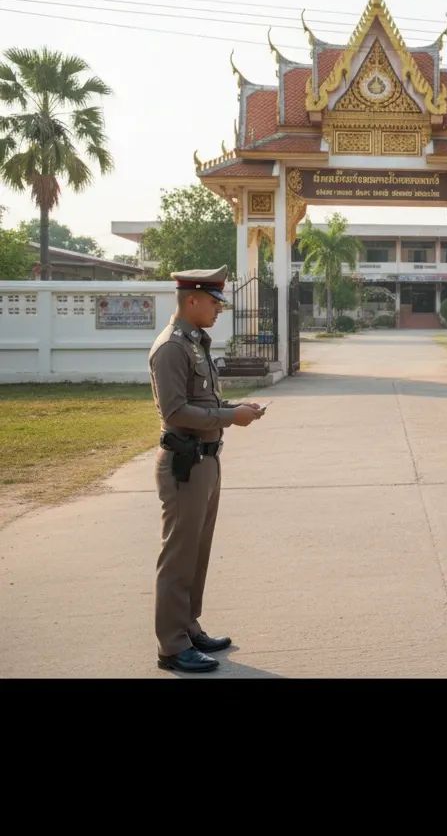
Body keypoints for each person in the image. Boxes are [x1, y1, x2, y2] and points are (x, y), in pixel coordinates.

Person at [149, 266, 265, 673]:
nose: (219, 309)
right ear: (192, 300)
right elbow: (175, 410)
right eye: (214, 302)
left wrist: (233, 411)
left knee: (197, 553)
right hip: (184, 463)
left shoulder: (195, 343)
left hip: (205, 459)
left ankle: (188, 626)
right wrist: (231, 416)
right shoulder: (171, 348)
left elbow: (204, 401)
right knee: (178, 555)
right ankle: (171, 645)